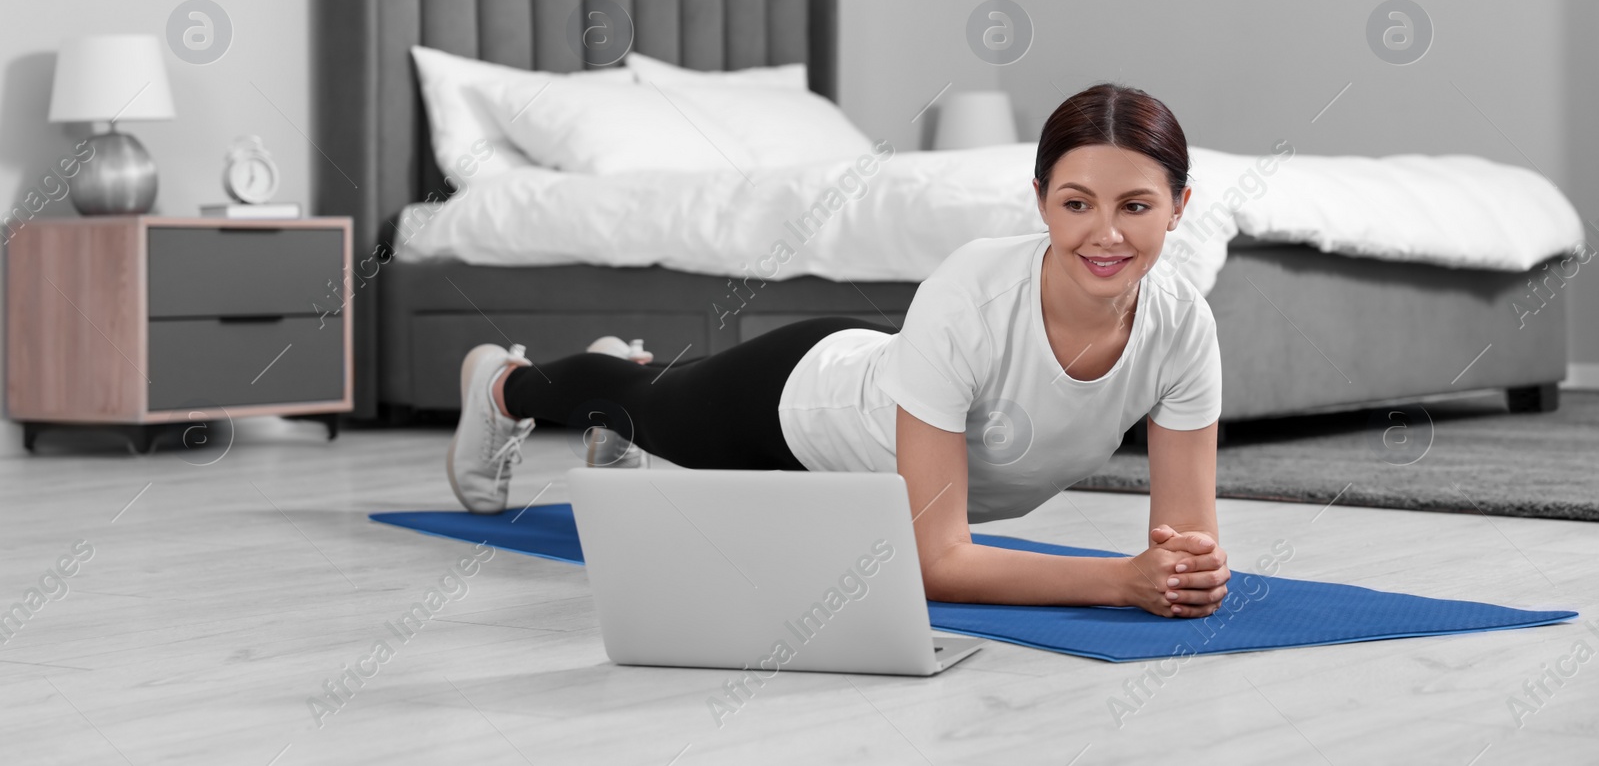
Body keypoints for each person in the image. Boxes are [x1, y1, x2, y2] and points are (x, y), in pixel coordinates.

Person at [445, 82, 1230, 618]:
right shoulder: (973, 294)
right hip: (794, 404)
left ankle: (622, 384)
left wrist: (1186, 573)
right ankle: (503, 384)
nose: (1106, 233)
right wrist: (1121, 583)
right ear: (1039, 203)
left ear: (1179, 208)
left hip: (873, 400)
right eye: (1076, 203)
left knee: (644, 397)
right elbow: (937, 563)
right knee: (646, 404)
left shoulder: (1183, 326)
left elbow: (1188, 547)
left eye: (1136, 205)